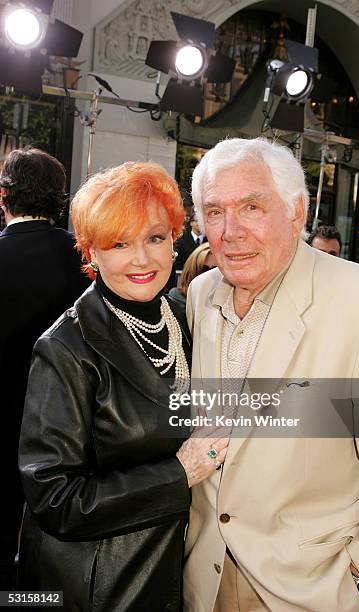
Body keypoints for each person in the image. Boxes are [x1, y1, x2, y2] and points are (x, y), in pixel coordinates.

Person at [183, 138, 359, 612]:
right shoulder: (201, 294)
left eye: (251, 206)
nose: (230, 231)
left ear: (296, 212)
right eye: (214, 211)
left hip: (305, 588)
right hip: (201, 577)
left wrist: (358, 574)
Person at [18, 162, 229, 611]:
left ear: (175, 239)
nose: (141, 258)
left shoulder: (182, 315)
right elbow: (55, 499)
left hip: (177, 569)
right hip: (102, 585)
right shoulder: (65, 348)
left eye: (155, 237)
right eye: (118, 243)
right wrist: (180, 473)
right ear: (90, 252)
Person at [0, 147, 90, 589]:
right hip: (66, 429)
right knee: (49, 550)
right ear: (60, 201)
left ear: (3, 197)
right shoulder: (87, 262)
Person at [168, 242, 217, 309]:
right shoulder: (176, 298)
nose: (208, 275)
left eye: (215, 270)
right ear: (192, 271)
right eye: (203, 269)